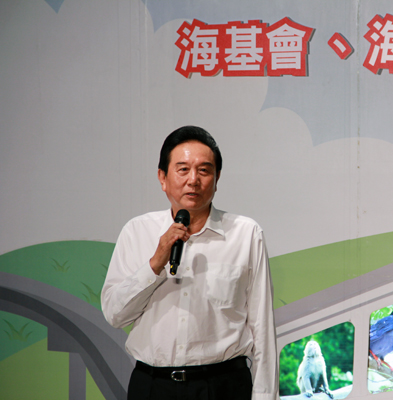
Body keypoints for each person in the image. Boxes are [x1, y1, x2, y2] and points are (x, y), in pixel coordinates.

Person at [101, 126, 278, 400]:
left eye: (204, 170)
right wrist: (155, 263)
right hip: (153, 386)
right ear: (162, 178)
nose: (193, 180)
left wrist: (265, 396)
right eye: (183, 169)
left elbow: (262, 327)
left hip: (224, 386)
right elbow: (115, 315)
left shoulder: (245, 234)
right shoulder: (136, 232)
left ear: (217, 179)